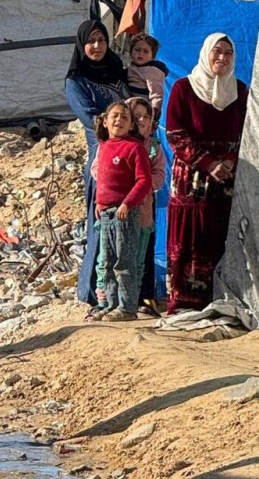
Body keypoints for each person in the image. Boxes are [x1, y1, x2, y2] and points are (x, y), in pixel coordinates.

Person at [166, 34, 249, 314]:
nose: (222, 58)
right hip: (192, 179)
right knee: (190, 238)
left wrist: (228, 162)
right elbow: (176, 134)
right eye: (217, 52)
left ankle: (220, 300)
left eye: (228, 53)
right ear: (205, 53)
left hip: (226, 180)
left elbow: (248, 133)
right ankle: (185, 303)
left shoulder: (240, 91)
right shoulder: (184, 88)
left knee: (221, 236)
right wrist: (208, 163)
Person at [65, 20, 130, 306]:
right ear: (82, 45)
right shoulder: (76, 81)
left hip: (130, 158)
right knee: (100, 226)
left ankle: (126, 294)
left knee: (128, 228)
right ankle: (91, 293)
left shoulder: (118, 73)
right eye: (90, 41)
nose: (96, 46)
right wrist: (121, 129)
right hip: (102, 160)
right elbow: (92, 120)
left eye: (101, 40)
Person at [90, 96, 164, 316]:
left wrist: (127, 203)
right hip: (106, 212)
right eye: (115, 116)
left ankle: (127, 307)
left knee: (126, 261)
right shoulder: (103, 147)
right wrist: (100, 203)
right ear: (105, 121)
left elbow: (146, 180)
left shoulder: (139, 148)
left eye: (125, 117)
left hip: (129, 212)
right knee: (109, 260)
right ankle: (111, 305)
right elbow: (102, 177)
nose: (119, 121)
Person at [126, 33, 168, 121]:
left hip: (143, 111)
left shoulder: (152, 71)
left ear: (152, 56)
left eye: (146, 51)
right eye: (137, 50)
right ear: (131, 52)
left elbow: (156, 93)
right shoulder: (130, 68)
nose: (141, 53)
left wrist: (154, 113)